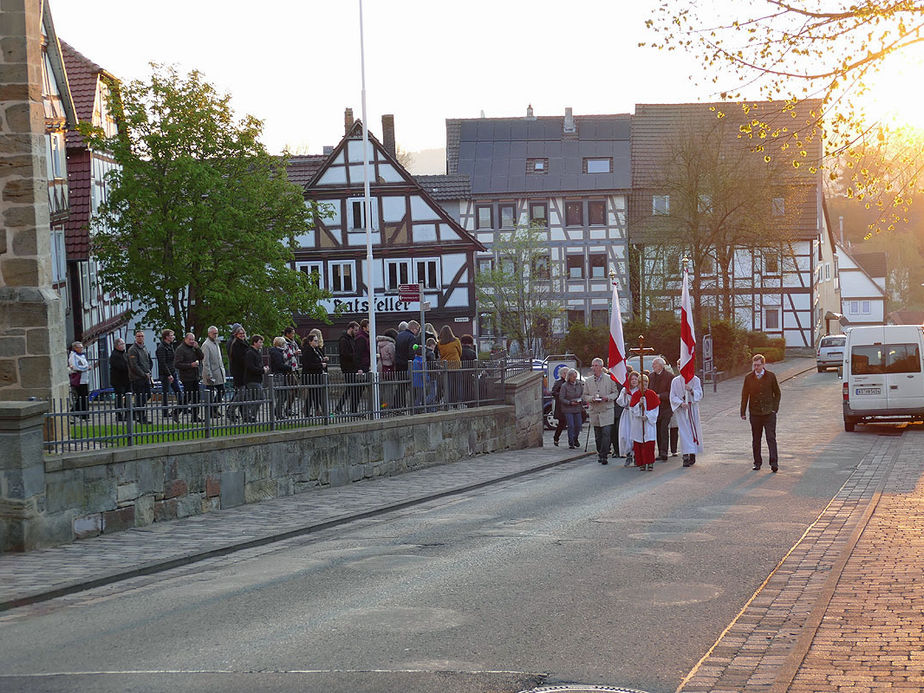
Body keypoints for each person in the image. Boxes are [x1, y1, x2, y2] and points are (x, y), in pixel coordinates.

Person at [740, 353, 782, 472]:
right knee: (756, 439)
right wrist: (742, 411)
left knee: (771, 438)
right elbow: (744, 395)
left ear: (763, 364)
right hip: (755, 413)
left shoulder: (771, 376)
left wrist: (774, 409)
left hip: (769, 413)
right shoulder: (748, 377)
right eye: (754, 365)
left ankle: (774, 463)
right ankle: (757, 462)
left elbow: (777, 393)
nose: (756, 368)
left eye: (758, 365)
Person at [583, 358, 620, 465]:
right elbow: (585, 395)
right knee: (598, 435)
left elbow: (615, 393)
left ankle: (604, 455)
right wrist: (591, 399)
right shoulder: (588, 381)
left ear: (600, 367)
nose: (593, 368)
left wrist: (607, 398)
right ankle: (600, 452)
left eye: (595, 366)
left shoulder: (609, 379)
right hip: (595, 410)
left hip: (606, 410)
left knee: (606, 433)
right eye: (592, 366)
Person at [671, 360, 704, 467]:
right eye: (679, 366)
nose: (681, 368)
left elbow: (699, 394)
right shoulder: (675, 381)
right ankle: (685, 455)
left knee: (693, 431)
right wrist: (680, 403)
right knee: (684, 432)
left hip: (692, 409)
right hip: (682, 411)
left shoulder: (695, 379)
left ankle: (693, 453)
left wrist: (691, 390)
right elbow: (672, 396)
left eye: (683, 365)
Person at [626, 373, 660, 471]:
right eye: (642, 384)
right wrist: (639, 405)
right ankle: (641, 463)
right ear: (638, 384)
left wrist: (648, 416)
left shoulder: (652, 394)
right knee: (639, 444)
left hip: (648, 423)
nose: (644, 386)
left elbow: (655, 409)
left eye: (645, 384)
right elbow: (632, 409)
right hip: (638, 423)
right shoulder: (636, 395)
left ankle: (650, 462)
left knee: (649, 444)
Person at [648, 357, 674, 461]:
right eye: (653, 364)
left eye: (655, 364)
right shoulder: (651, 376)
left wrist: (660, 396)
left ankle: (664, 452)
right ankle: (660, 451)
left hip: (666, 407)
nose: (653, 366)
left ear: (661, 366)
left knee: (664, 429)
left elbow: (671, 393)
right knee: (658, 430)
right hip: (655, 408)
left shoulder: (669, 377)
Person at [174, 332, 204, 421]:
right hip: (186, 376)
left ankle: (195, 416)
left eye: (193, 339)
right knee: (188, 397)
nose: (192, 341)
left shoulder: (193, 348)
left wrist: (197, 348)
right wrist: (190, 365)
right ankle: (176, 412)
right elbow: (177, 364)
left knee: (196, 397)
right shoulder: (180, 349)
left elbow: (201, 356)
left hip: (195, 375)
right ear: (185, 339)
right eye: (190, 339)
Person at [127, 331, 153, 423]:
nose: (140, 338)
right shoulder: (133, 350)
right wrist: (143, 374)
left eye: (142, 336)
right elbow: (134, 365)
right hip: (137, 378)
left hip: (145, 377)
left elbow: (148, 360)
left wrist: (149, 371)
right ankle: (141, 416)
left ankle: (137, 412)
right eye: (138, 336)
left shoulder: (144, 348)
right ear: (135, 337)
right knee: (140, 397)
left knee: (147, 395)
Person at [155, 329, 182, 422]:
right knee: (166, 392)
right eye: (171, 335)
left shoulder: (170, 346)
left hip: (172, 371)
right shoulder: (162, 348)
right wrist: (168, 374)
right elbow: (162, 363)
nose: (173, 337)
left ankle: (180, 408)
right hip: (166, 374)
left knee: (178, 391)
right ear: (166, 337)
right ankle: (165, 412)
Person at [615, 370, 639, 466]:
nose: (633, 381)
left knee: (636, 436)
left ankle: (637, 456)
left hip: (636, 415)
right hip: (627, 414)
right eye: (632, 379)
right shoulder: (625, 390)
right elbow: (620, 402)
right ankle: (628, 454)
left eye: (635, 379)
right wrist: (624, 396)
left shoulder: (639, 390)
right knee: (625, 435)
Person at [243, 334, 269, 422]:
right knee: (261, 397)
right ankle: (250, 415)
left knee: (253, 399)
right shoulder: (250, 353)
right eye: (260, 342)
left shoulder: (257, 352)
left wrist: (263, 368)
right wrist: (262, 370)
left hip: (257, 379)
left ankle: (250, 416)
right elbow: (251, 367)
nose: (261, 344)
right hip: (252, 379)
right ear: (254, 343)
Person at [301, 331, 327, 416]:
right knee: (314, 394)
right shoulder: (307, 351)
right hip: (311, 376)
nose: (317, 342)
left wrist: (323, 360)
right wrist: (320, 365)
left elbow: (318, 359)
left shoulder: (316, 350)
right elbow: (308, 364)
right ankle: (319, 411)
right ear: (310, 342)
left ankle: (315, 411)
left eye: (317, 340)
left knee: (314, 394)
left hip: (316, 376)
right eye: (315, 341)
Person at [201, 326, 226, 416]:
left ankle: (214, 409)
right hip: (211, 373)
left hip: (218, 372)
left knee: (221, 391)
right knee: (211, 394)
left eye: (216, 333)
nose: (215, 335)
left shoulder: (216, 343)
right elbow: (205, 361)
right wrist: (208, 375)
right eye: (213, 333)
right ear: (209, 334)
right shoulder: (206, 345)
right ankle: (211, 411)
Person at [394, 320, 419, 408]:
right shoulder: (412, 338)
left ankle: (399, 405)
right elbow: (411, 352)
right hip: (406, 364)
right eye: (417, 329)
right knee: (405, 385)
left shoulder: (399, 336)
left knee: (401, 385)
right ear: (413, 328)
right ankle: (399, 405)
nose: (417, 332)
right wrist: (412, 359)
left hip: (398, 363)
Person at [335, 322, 359, 414]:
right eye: (356, 330)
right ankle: (339, 407)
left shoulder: (351, 339)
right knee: (350, 388)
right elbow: (344, 354)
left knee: (351, 388)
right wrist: (355, 356)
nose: (357, 332)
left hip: (352, 367)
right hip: (348, 367)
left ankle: (340, 407)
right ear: (351, 328)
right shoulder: (344, 340)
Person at [227, 323, 249, 422]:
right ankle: (231, 410)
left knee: (243, 395)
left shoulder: (244, 342)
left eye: (243, 333)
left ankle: (245, 415)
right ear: (236, 334)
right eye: (240, 333)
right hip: (239, 371)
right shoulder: (235, 344)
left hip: (244, 371)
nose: (242, 335)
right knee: (241, 393)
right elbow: (239, 358)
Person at [559, 368, 585, 449]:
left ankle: (575, 438)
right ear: (569, 377)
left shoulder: (579, 384)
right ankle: (571, 442)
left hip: (577, 407)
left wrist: (581, 399)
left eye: (575, 376)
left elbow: (583, 394)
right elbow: (561, 398)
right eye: (573, 377)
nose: (575, 378)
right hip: (568, 408)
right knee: (571, 425)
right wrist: (569, 402)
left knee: (578, 425)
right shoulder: (564, 386)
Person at [438, 325, 463, 405]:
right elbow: (460, 352)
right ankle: (458, 401)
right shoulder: (456, 341)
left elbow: (440, 354)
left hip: (445, 367)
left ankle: (449, 402)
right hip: (456, 365)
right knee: (458, 384)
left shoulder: (440, 344)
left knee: (448, 385)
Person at [268, 336, 292, 419]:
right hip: (279, 375)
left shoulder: (277, 352)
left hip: (280, 374)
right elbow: (279, 365)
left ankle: (277, 410)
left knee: (284, 394)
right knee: (283, 394)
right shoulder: (277, 353)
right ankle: (278, 411)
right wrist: (288, 367)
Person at [67, 341, 90, 419]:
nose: (81, 349)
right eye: (80, 347)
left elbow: (85, 364)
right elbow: (76, 367)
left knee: (85, 397)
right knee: (81, 397)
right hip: (79, 380)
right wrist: (86, 368)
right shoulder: (73, 356)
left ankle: (84, 414)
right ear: (75, 348)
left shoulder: (82, 356)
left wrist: (86, 367)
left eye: (82, 347)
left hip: (84, 379)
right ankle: (77, 412)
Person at [282, 327, 302, 416]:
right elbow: (285, 356)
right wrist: (294, 353)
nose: (293, 335)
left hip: (294, 367)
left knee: (295, 388)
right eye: (292, 333)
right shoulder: (284, 342)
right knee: (294, 388)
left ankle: (288, 407)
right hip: (288, 368)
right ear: (287, 334)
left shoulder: (293, 342)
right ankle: (287, 408)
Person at [109, 338, 131, 421]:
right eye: (121, 344)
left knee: (127, 397)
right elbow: (120, 366)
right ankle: (119, 415)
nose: (123, 346)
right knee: (119, 398)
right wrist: (129, 367)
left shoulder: (124, 354)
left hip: (126, 379)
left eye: (123, 344)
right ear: (117, 345)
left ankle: (127, 414)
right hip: (118, 380)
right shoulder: (115, 355)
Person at [550, 367, 569, 446]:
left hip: (570, 405)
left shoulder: (571, 382)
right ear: (561, 374)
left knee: (573, 423)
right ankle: (556, 438)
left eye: (567, 373)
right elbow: (553, 392)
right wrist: (562, 395)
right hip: (561, 406)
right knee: (562, 423)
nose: (566, 374)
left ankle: (573, 440)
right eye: (564, 373)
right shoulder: (558, 382)